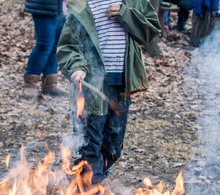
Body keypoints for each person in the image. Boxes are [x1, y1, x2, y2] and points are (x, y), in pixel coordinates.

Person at [57, 0, 161, 184]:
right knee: (89, 145)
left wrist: (125, 14)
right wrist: (76, 66)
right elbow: (68, 46)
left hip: (121, 84)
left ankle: (92, 179)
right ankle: (89, 185)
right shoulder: (81, 5)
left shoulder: (133, 2)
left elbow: (150, 29)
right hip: (90, 86)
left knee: (113, 145)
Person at [23, 0, 68, 98]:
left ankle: (50, 84)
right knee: (44, 45)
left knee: (56, 46)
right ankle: (30, 84)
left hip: (62, 8)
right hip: (44, 7)